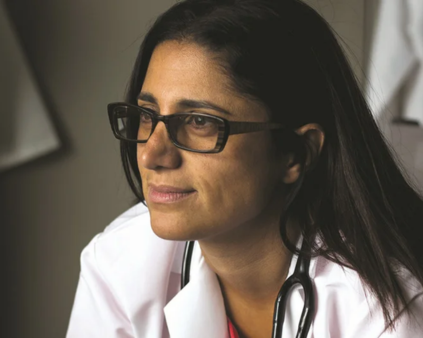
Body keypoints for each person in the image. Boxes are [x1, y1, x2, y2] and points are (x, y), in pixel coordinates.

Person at [66, 0, 423, 337]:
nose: (152, 155)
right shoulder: (118, 264)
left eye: (198, 121)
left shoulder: (383, 315)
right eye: (147, 116)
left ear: (296, 154)